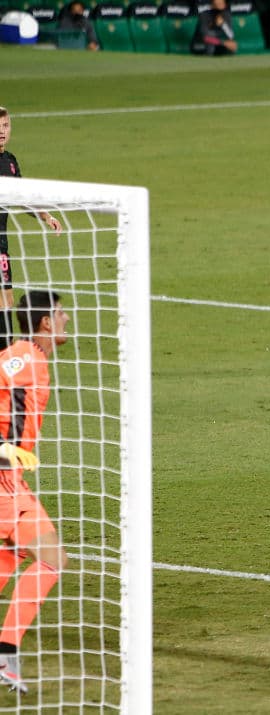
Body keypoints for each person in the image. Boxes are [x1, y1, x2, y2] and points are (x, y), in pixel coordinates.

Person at [0, 291, 70, 694]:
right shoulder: (24, 355)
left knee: (9, 557)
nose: (66, 319)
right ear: (45, 321)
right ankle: (5, 653)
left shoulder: (34, 359)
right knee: (52, 558)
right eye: (60, 313)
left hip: (12, 477)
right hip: (4, 479)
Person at [0, 108, 63, 337]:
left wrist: (46, 217)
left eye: (5, 126)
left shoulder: (10, 162)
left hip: (1, 244)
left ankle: (3, 358)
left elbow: (22, 199)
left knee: (6, 298)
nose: (1, 131)